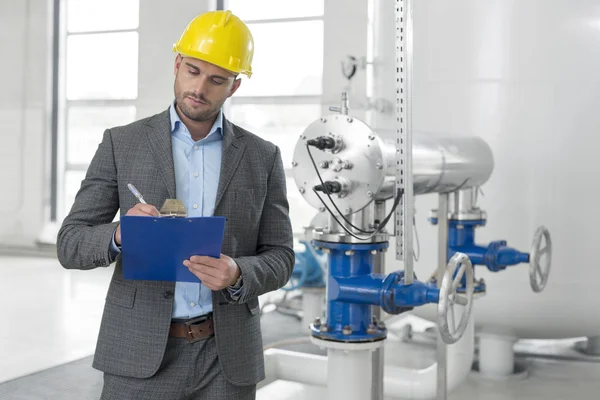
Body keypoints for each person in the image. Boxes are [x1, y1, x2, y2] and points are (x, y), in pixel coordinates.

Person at [57, 9, 294, 400]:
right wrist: (120, 233)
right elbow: (70, 243)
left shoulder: (261, 157)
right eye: (193, 71)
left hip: (227, 359)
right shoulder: (122, 143)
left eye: (216, 79)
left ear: (234, 87)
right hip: (138, 355)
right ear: (177, 64)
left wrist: (238, 273)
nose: (199, 88)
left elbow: (282, 256)